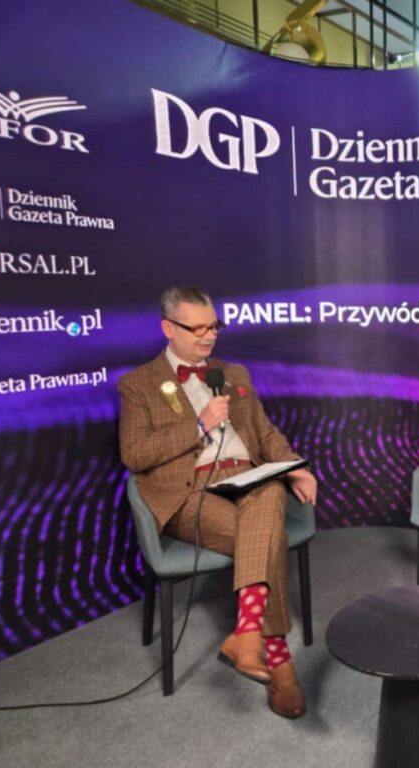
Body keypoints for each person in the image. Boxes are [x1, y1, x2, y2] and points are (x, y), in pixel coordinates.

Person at [118, 285, 317, 719]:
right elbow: (134, 454)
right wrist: (198, 424)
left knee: (270, 488)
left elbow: (264, 434)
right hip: (190, 493)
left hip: (246, 478)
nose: (209, 336)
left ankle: (246, 633)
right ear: (168, 328)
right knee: (269, 537)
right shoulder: (139, 384)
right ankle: (280, 662)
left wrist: (294, 466)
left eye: (214, 326)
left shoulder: (234, 373)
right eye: (198, 328)